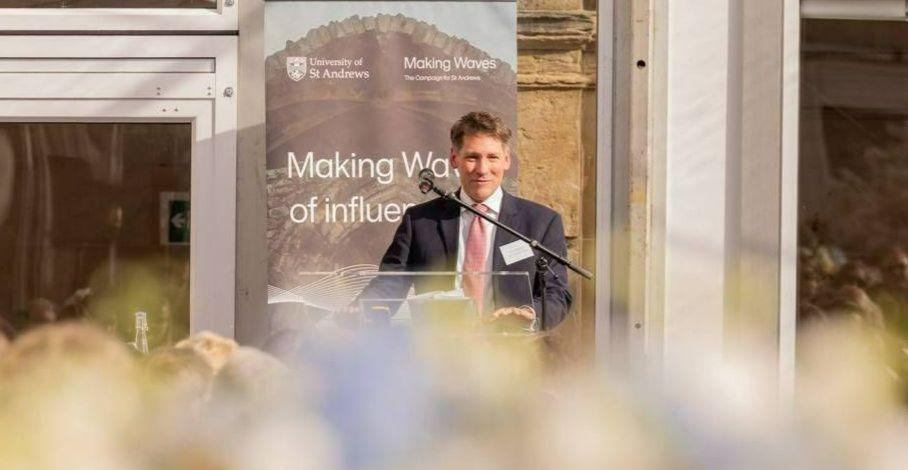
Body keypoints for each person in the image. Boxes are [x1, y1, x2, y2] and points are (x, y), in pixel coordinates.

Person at [357, 111, 572, 329]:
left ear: (507, 160)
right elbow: (391, 281)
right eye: (472, 157)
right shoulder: (420, 221)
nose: (482, 169)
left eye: (492, 157)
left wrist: (529, 314)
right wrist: (361, 309)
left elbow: (557, 293)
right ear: (454, 158)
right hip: (439, 350)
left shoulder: (541, 222)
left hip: (512, 352)